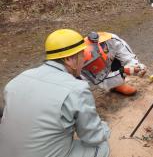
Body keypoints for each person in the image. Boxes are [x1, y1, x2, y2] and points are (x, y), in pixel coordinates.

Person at [0, 29, 110, 157]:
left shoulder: (17, 79)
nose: (84, 59)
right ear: (70, 59)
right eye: (82, 54)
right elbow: (94, 137)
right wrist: (104, 127)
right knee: (102, 146)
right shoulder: (77, 89)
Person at [82, 32, 146, 96]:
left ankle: (117, 85)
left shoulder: (112, 40)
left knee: (118, 59)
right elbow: (102, 82)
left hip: (108, 60)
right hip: (82, 80)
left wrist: (136, 66)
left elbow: (128, 57)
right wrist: (123, 71)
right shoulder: (82, 60)